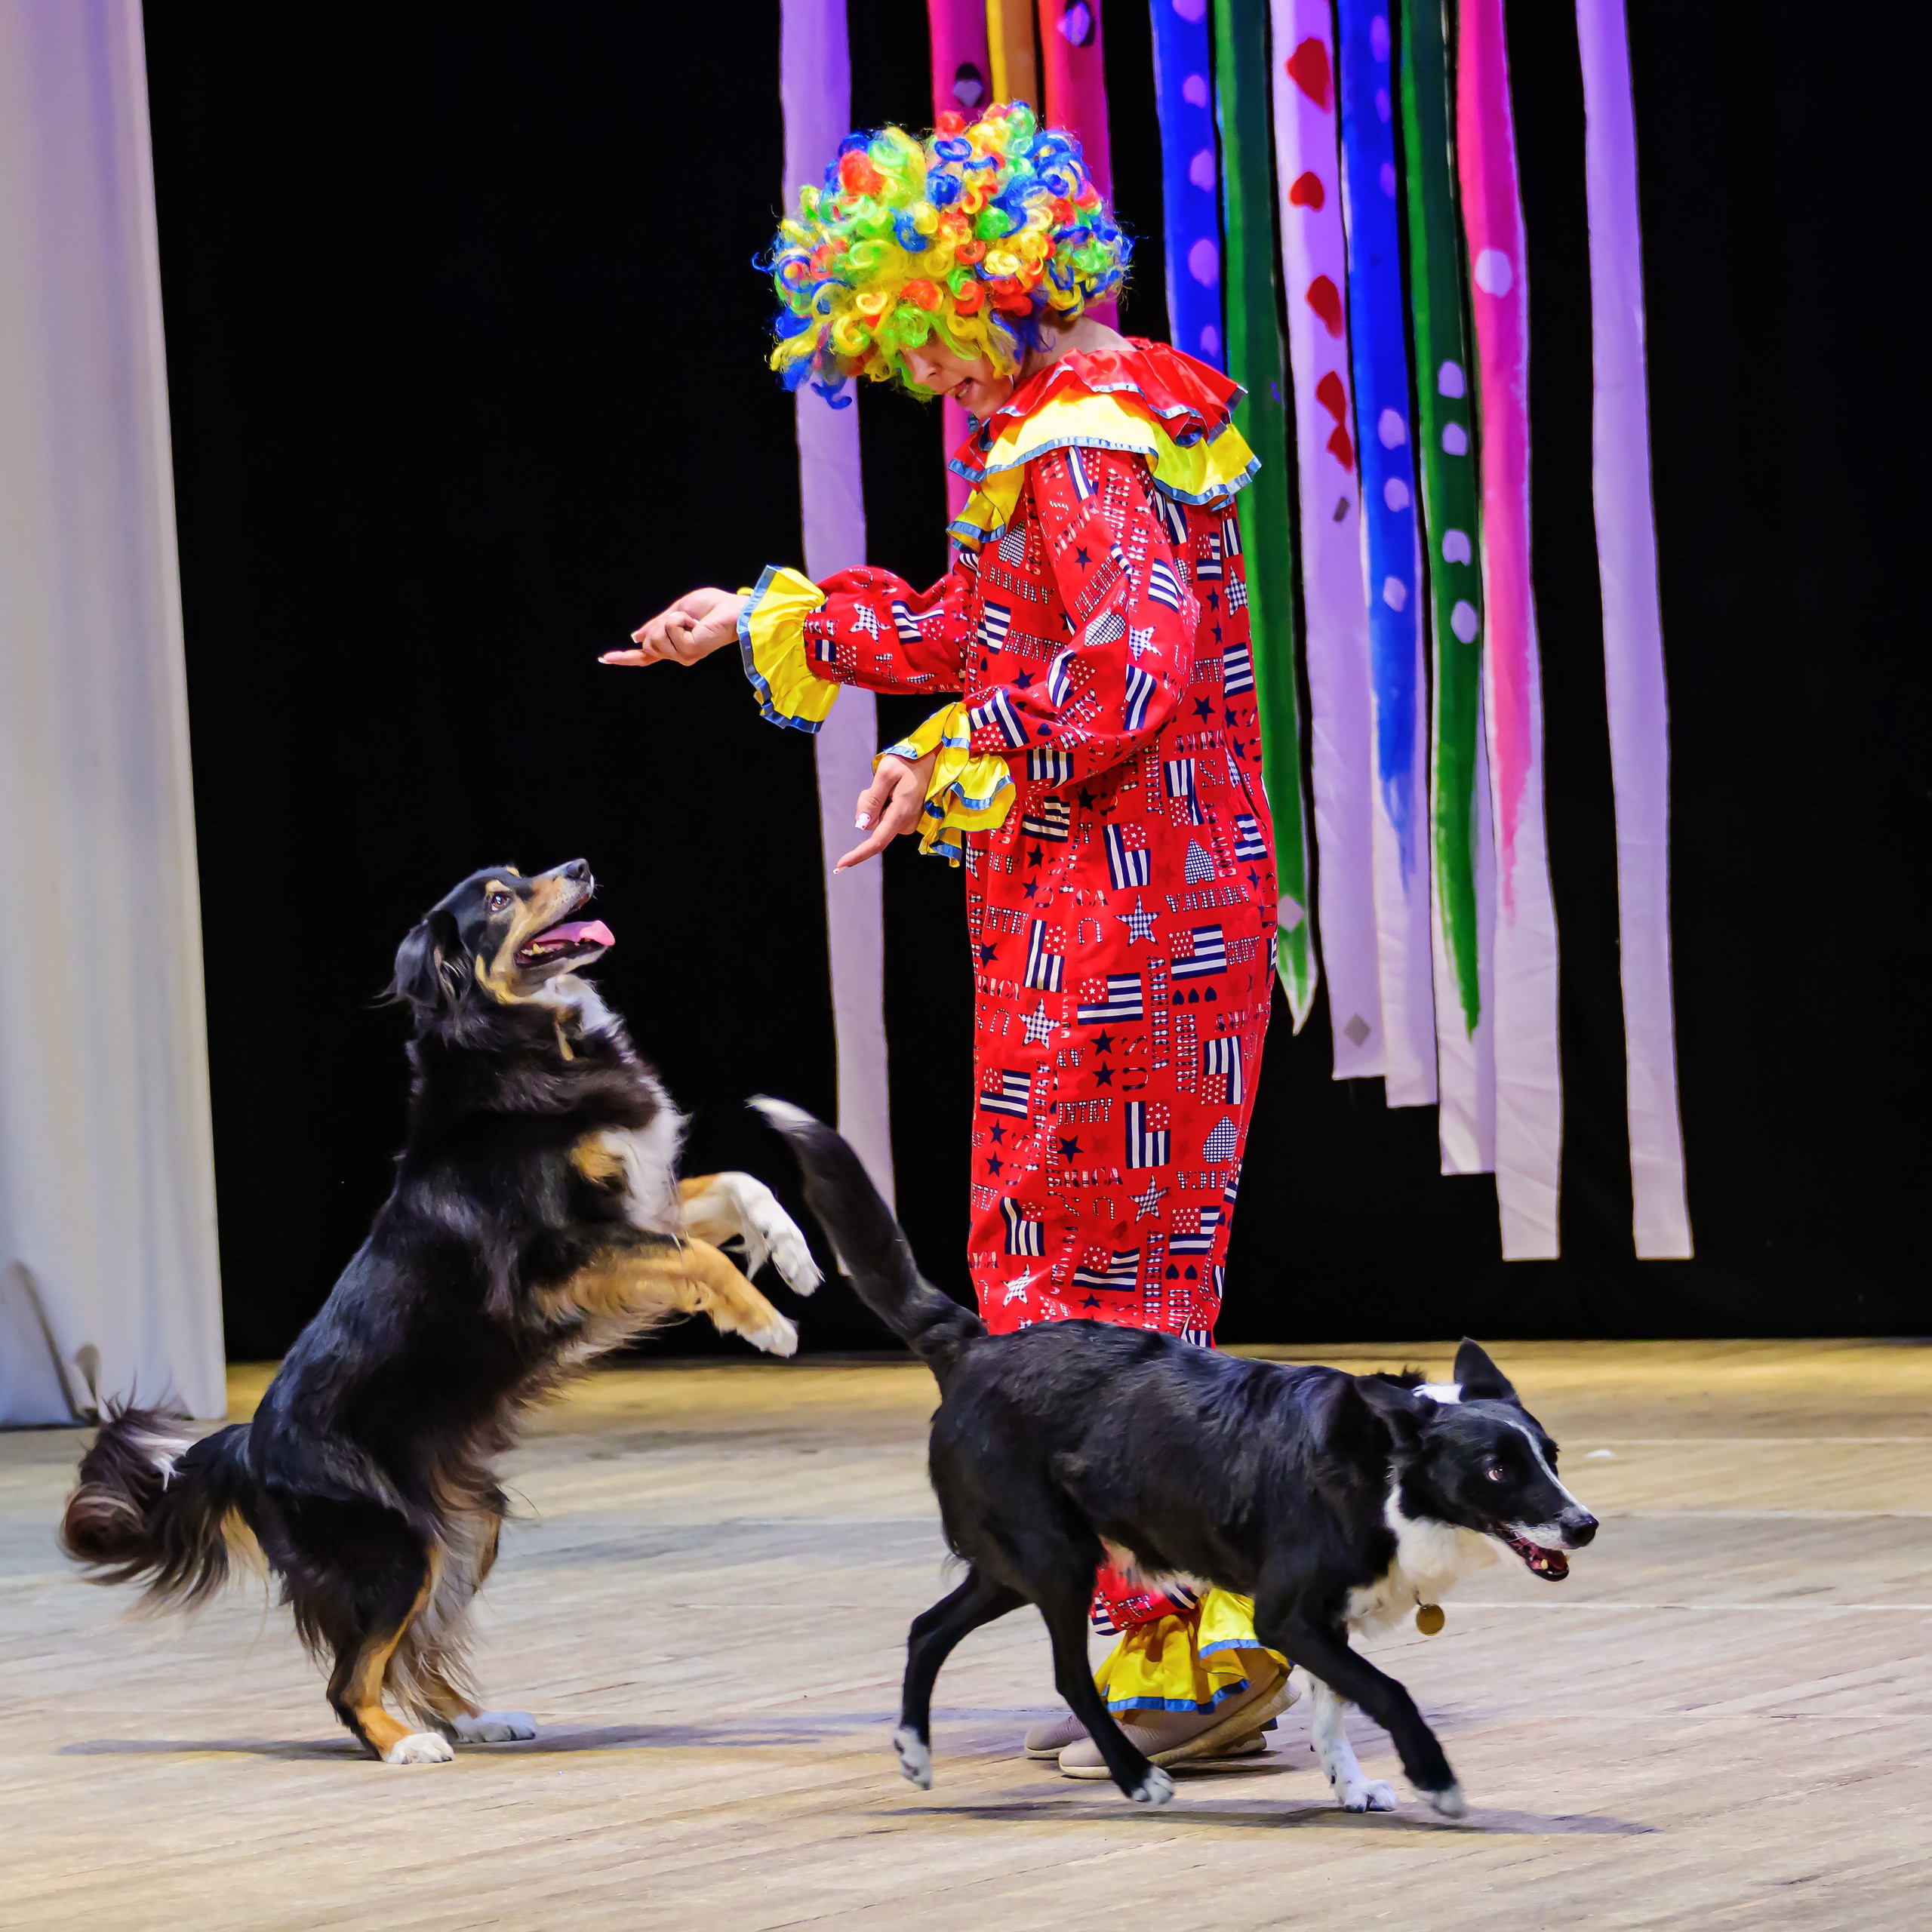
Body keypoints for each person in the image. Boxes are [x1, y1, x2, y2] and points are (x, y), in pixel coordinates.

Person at [605, 101, 1294, 1776]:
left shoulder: (1071, 442)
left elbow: (1130, 661)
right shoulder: (1113, 410)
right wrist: (771, 620)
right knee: (1133, 1276)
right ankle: (1191, 1625)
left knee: (1067, 1287)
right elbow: (981, 625)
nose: (937, 386)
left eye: (930, 353)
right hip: (1164, 892)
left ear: (978, 292)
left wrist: (956, 749)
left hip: (1113, 903)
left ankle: (1172, 1650)